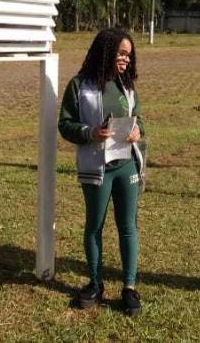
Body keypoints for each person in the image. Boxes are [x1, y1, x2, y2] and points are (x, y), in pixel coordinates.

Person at [58, 28, 146, 316]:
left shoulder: (127, 84)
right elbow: (65, 124)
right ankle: (95, 284)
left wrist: (136, 132)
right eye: (121, 53)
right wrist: (90, 132)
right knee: (94, 225)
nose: (125, 59)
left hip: (126, 165)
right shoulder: (79, 84)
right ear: (106, 51)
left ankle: (129, 288)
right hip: (97, 168)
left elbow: (140, 121)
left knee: (127, 226)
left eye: (128, 55)